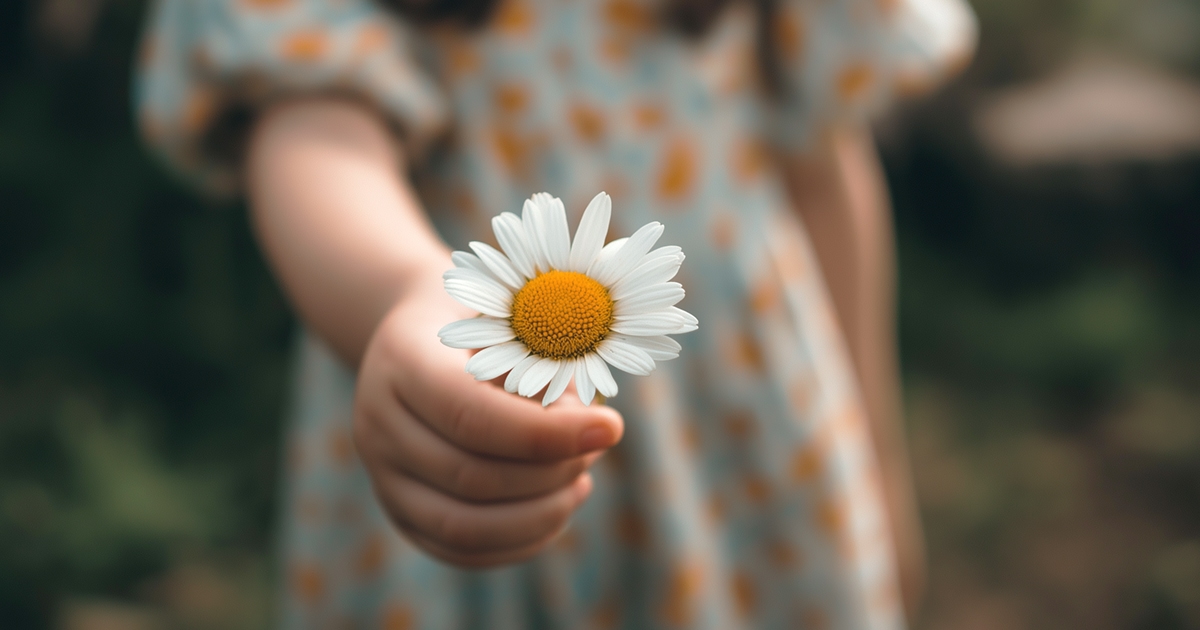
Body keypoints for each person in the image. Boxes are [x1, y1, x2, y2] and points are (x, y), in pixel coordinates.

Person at [136, 0, 975, 627]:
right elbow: (314, 131)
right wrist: (408, 291)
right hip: (458, 437)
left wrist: (875, 452)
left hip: (754, 450)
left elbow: (822, 159)